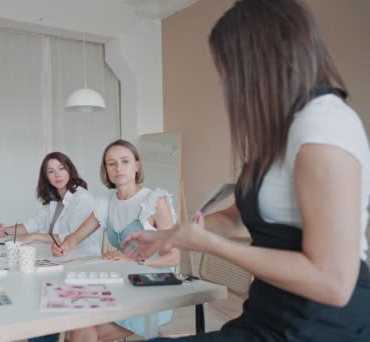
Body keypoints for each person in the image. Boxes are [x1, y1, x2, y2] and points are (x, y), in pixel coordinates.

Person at [123, 0, 370, 341]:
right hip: (268, 317)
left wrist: (211, 245)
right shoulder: (279, 132)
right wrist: (165, 236)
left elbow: (333, 283)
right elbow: (234, 218)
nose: (224, 84)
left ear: (260, 62)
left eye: (227, 69)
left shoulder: (324, 125)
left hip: (318, 327)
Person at [51, 139, 180, 342]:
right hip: (122, 283)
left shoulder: (155, 200)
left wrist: (133, 260)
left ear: (137, 165)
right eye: (112, 163)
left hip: (153, 289)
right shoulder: (106, 203)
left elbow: (173, 257)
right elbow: (75, 238)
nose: (118, 168)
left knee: (81, 330)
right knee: (73, 324)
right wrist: (63, 246)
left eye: (125, 161)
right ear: (106, 170)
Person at [0, 151, 100, 254]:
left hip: (83, 257)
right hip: (60, 256)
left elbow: (71, 236)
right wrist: (4, 231)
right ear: (46, 177)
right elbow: (32, 225)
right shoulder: (55, 199)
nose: (57, 175)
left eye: (61, 168)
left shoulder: (83, 198)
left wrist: (33, 236)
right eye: (51, 171)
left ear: (70, 170)